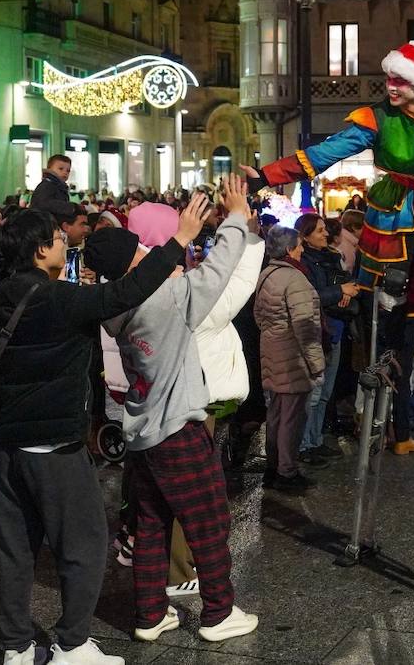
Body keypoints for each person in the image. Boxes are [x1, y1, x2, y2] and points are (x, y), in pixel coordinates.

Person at [243, 41, 414, 418]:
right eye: (390, 78)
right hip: (401, 194)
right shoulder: (377, 119)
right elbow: (328, 153)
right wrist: (265, 176)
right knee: (392, 278)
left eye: (401, 80)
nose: (391, 86)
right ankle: (389, 352)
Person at [0, 196, 205, 665]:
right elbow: (125, 294)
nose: (67, 242)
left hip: (5, 444)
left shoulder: (1, 296)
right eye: (59, 239)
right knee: (83, 545)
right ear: (40, 249)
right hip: (54, 448)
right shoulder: (59, 299)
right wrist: (179, 242)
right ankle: (71, 644)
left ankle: (16, 647)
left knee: (16, 550)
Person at [84, 177, 259, 645]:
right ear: (131, 261)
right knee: (208, 521)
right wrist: (237, 216)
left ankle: (150, 614)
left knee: (151, 523)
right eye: (139, 249)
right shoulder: (163, 300)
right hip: (176, 429)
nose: (147, 250)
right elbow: (219, 270)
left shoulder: (113, 306)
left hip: (141, 429)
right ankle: (219, 613)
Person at [253, 226, 326, 489]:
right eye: (298, 245)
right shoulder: (295, 280)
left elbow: (259, 317)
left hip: (272, 353)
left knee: (276, 414)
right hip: (293, 358)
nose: (302, 249)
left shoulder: (267, 274)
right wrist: (317, 364)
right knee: (292, 418)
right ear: (288, 249)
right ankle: (287, 472)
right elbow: (306, 328)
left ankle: (274, 468)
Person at [294, 213, 359, 467]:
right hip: (318, 331)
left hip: (336, 327)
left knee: (325, 392)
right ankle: (303, 445)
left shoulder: (332, 257)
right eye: (320, 231)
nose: (325, 234)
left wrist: (346, 291)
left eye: (324, 230)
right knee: (313, 391)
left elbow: (344, 283)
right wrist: (338, 292)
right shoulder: (305, 263)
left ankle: (315, 439)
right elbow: (311, 296)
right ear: (306, 236)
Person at [30, 155, 75, 220]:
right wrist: (70, 207)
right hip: (43, 223)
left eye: (68, 170)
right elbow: (43, 203)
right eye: (61, 169)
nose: (65, 172)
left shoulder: (58, 186)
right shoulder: (47, 185)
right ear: (49, 169)